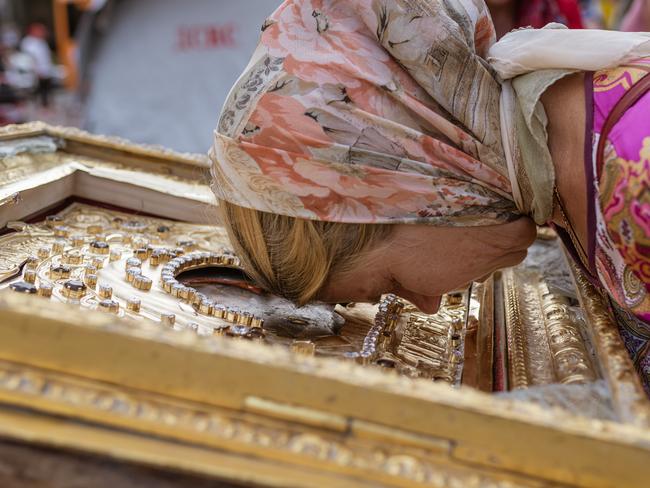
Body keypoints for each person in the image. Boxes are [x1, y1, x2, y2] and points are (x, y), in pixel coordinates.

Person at [210, 0, 650, 390]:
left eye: (392, 284)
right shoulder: (569, 167)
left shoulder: (638, 177)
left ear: (418, 188)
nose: (431, 304)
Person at [20, 23, 53, 107]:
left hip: (45, 69)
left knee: (45, 90)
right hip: (36, 72)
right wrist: (37, 71)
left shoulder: (41, 41)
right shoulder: (28, 42)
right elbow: (29, 59)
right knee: (37, 91)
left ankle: (45, 105)